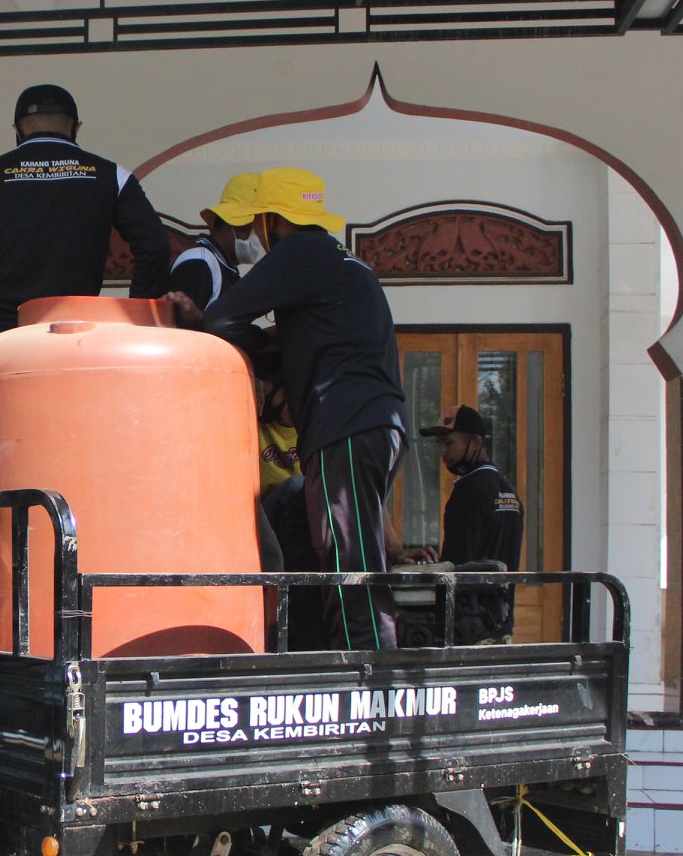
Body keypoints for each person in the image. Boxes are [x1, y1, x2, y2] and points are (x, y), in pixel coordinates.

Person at [0, 83, 173, 498]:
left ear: (18, 128)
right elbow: (155, 247)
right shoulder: (109, 174)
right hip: (69, 330)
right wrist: (135, 321)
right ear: (76, 128)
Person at [202, 167, 407, 651]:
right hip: (372, 423)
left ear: (272, 220)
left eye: (256, 225)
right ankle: (364, 666)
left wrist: (242, 347)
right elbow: (314, 343)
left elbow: (222, 316)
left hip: (349, 426)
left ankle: (371, 682)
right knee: (349, 551)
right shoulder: (341, 261)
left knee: (349, 560)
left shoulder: (301, 252)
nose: (254, 236)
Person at [397, 405, 523, 643]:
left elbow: (456, 562)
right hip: (501, 622)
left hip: (468, 626)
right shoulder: (509, 492)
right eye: (439, 445)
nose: (443, 452)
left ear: (476, 442)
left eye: (448, 443)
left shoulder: (468, 490)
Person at [156, 172, 259, 319]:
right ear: (230, 224)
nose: (258, 236)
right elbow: (180, 327)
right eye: (252, 228)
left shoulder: (224, 267)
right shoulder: (199, 263)